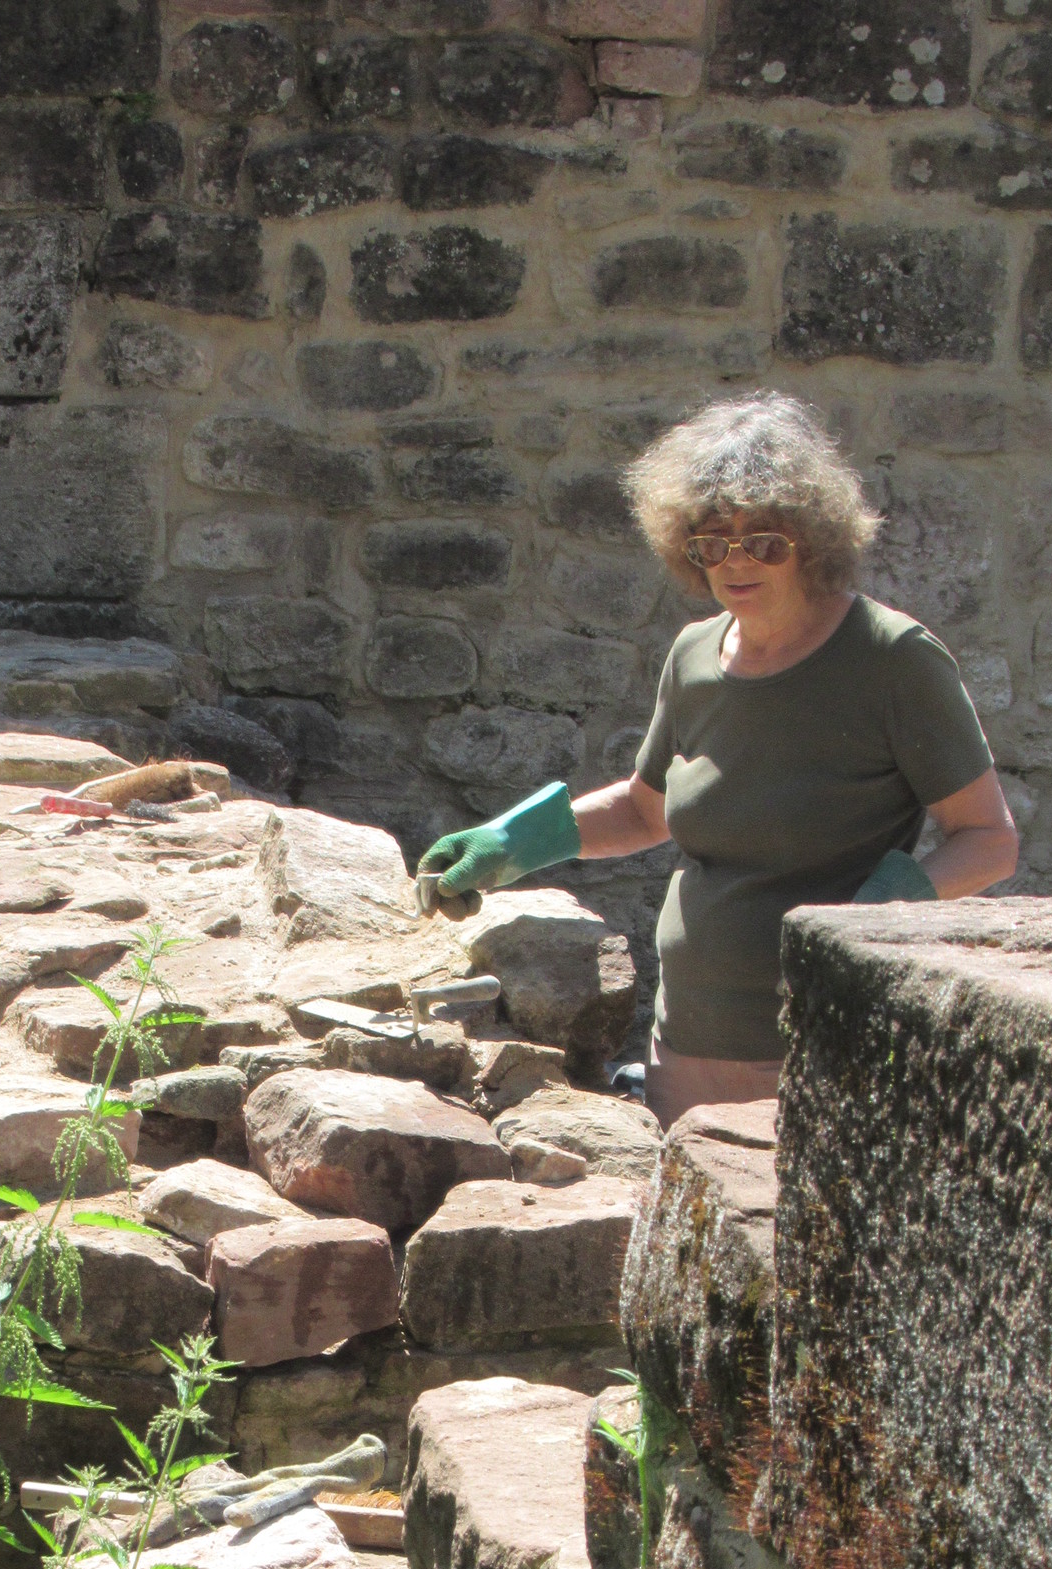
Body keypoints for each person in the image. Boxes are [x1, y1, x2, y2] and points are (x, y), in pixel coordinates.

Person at [413, 392, 1019, 1129]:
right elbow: (644, 811)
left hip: (818, 1047)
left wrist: (883, 907)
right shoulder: (695, 653)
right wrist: (510, 843)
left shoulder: (892, 658)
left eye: (763, 541)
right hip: (683, 1042)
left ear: (812, 539)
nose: (736, 561)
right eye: (712, 542)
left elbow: (989, 839)